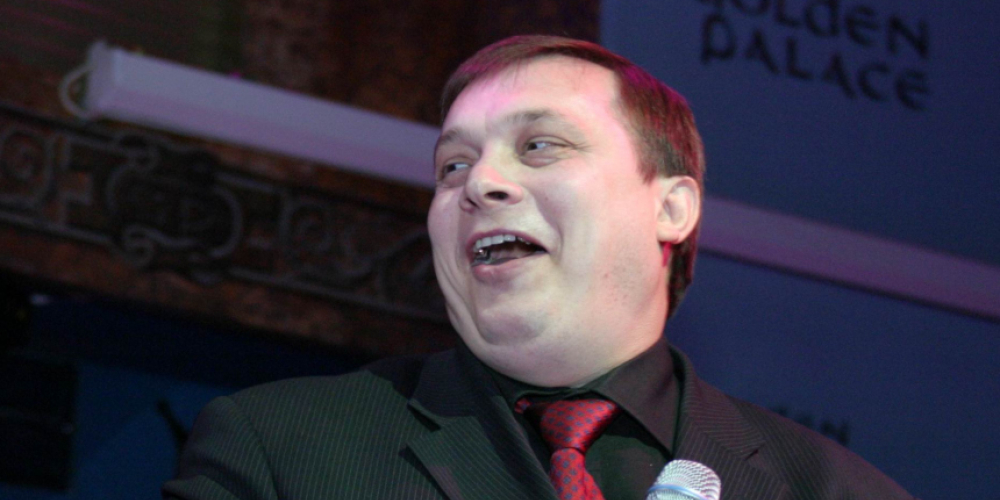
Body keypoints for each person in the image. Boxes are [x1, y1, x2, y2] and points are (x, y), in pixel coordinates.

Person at [163, 35, 914, 500]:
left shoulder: (834, 492)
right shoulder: (282, 449)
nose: (480, 183)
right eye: (452, 164)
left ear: (672, 208)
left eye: (540, 146)